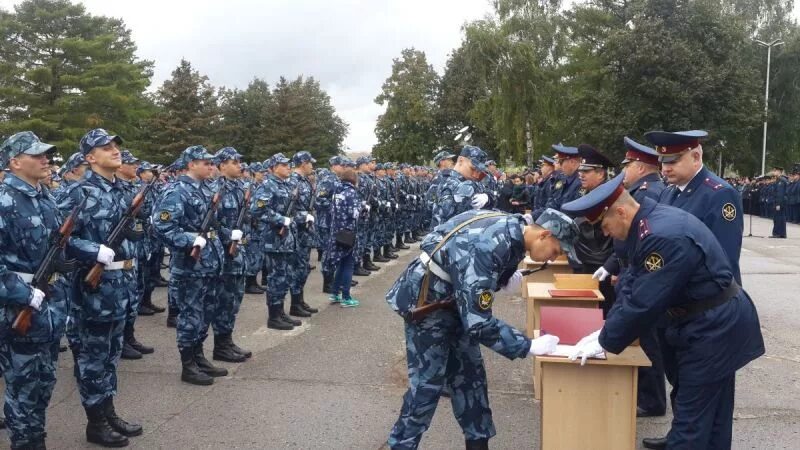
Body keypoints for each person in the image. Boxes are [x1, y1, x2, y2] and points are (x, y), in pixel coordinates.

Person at [562, 174, 764, 450]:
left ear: (620, 211)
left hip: (713, 327)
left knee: (691, 424)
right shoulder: (646, 225)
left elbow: (645, 301)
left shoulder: (660, 235)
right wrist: (607, 328)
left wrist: (605, 340)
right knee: (703, 409)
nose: (606, 233)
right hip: (698, 321)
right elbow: (632, 283)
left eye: (604, 225)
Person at [384, 208, 578, 450]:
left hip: (454, 302)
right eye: (555, 251)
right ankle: (401, 445)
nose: (552, 259)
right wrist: (526, 345)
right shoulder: (491, 244)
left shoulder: (512, 228)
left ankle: (478, 444)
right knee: (426, 386)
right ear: (544, 235)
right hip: (428, 306)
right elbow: (478, 323)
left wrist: (502, 277)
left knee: (471, 379)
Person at [643, 129, 745, 449]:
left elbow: (722, 262)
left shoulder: (718, 194)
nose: (665, 168)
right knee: (683, 386)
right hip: (678, 311)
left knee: (712, 396)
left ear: (696, 156)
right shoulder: (670, 192)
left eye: (673, 161)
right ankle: (680, 434)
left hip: (709, 312)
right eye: (662, 161)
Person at [59, 129, 142, 446]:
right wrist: (91, 251)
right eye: (105, 148)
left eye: (116, 146)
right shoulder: (77, 193)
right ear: (90, 157)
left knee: (111, 355)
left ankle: (109, 412)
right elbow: (59, 240)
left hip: (122, 284)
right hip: (94, 289)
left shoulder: (122, 189)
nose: (115, 150)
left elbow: (134, 230)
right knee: (93, 358)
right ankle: (95, 423)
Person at [0, 132, 71, 450]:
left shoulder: (45, 197)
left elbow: (57, 246)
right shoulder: (4, 201)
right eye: (37, 155)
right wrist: (22, 294)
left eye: (47, 155)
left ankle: (35, 438)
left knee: (44, 382)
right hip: (21, 307)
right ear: (15, 162)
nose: (47, 160)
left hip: (50, 307)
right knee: (23, 386)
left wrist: (91, 251)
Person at [597, 136, 668, 418]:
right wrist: (617, 267)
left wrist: (625, 269)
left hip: (642, 270)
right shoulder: (640, 189)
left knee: (647, 339)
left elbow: (640, 239)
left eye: (627, 165)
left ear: (639, 166)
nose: (623, 170)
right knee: (642, 337)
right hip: (631, 268)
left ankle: (652, 400)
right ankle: (647, 396)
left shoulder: (646, 192)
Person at [151, 145, 232, 386]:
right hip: (191, 265)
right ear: (190, 165)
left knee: (206, 313)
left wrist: (230, 235)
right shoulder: (177, 191)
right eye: (204, 162)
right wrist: (188, 239)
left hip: (211, 263)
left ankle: (199, 357)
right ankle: (188, 365)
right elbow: (161, 226)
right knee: (190, 315)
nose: (210, 166)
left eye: (211, 162)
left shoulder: (206, 189)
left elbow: (214, 226)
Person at [250, 153, 306, 330]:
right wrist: (280, 219)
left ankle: (281, 312)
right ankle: (273, 316)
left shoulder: (288, 184)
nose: (288, 167)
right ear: (273, 168)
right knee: (275, 278)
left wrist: (302, 217)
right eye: (283, 165)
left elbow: (293, 211)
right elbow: (257, 210)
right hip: (274, 239)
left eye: (288, 164)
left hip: (288, 240)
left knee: (285, 277)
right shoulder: (267, 185)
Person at [210, 147, 251, 363]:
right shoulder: (216, 188)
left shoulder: (238, 186)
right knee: (223, 301)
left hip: (238, 253)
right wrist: (228, 235)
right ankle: (220, 346)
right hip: (225, 254)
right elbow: (210, 221)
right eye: (234, 162)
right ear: (222, 165)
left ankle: (227, 341)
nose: (239, 165)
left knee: (234, 300)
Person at [287, 151, 319, 317]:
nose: (312, 166)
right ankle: (294, 303)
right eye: (310, 163)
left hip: (306, 231)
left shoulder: (305, 181)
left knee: (303, 268)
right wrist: (302, 216)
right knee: (297, 269)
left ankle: (299, 300)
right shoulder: (293, 181)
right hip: (297, 232)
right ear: (303, 163)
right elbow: (288, 209)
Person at [326, 157, 362, 307]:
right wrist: (362, 208)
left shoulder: (337, 192)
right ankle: (346, 296)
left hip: (336, 232)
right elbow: (353, 213)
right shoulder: (351, 193)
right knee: (348, 265)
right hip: (348, 233)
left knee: (341, 264)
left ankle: (335, 293)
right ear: (354, 179)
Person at [431, 145, 491, 228]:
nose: (476, 174)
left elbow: (493, 195)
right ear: (461, 161)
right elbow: (445, 218)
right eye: (473, 169)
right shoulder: (444, 181)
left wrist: (487, 198)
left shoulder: (473, 181)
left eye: (479, 171)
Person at [771, 166, 788, 238]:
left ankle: (779, 233)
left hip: (780, 202)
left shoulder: (781, 180)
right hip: (777, 202)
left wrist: (778, 204)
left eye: (775, 171)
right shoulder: (778, 180)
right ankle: (780, 233)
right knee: (777, 217)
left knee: (779, 218)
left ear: (779, 172)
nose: (774, 172)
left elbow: (780, 194)